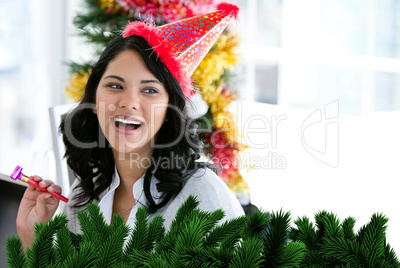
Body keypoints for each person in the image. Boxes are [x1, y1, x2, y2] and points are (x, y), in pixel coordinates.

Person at [16, 3, 244, 250]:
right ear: (93, 101)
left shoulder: (202, 197)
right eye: (115, 86)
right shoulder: (85, 190)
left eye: (149, 90)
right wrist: (33, 239)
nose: (128, 103)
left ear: (169, 111)